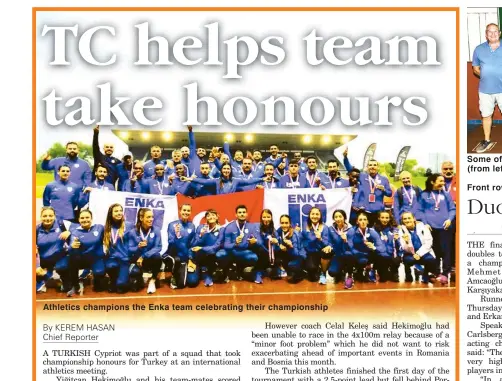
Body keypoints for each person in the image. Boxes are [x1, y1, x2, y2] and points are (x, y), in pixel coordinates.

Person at [417, 174, 455, 283]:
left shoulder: (446, 194)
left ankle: (446, 273)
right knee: (434, 250)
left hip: (445, 227)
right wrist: (425, 223)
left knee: (446, 250)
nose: (443, 183)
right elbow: (420, 210)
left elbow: (452, 209)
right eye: (440, 181)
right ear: (432, 182)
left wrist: (449, 219)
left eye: (443, 181)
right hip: (430, 228)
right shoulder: (424, 195)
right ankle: (436, 271)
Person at [472, 23, 502, 153]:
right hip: (485, 90)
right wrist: (486, 74)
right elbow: (475, 68)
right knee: (486, 115)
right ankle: (486, 140)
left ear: (499, 33)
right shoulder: (478, 49)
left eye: (495, 31)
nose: (493, 34)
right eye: (490, 31)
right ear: (486, 34)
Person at [67, 210, 106, 296]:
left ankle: (93, 278)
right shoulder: (75, 232)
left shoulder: (99, 228)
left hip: (96, 259)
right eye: (82, 218)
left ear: (91, 218)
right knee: (72, 258)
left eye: (87, 217)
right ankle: (75, 285)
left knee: (99, 281)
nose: (85, 220)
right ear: (79, 219)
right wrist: (72, 246)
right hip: (82, 259)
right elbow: (69, 248)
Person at [223, 205, 262, 283]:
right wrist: (235, 243)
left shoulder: (251, 227)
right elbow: (226, 245)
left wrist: (255, 241)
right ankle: (225, 272)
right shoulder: (229, 227)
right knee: (220, 255)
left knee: (254, 257)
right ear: (236, 215)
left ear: (247, 214)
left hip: (244, 252)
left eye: (244, 212)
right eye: (239, 212)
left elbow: (260, 242)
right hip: (233, 252)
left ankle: (244, 270)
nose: (242, 214)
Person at [36, 207, 71, 293]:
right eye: (45, 216)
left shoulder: (61, 224)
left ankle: (63, 278)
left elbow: (77, 227)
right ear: (41, 217)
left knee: (67, 287)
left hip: (60, 259)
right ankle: (49, 276)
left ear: (54, 216)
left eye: (50, 215)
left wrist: (69, 232)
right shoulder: (36, 229)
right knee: (36, 289)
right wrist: (36, 267)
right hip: (44, 260)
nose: (47, 218)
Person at [128, 208, 162, 294]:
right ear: (141, 218)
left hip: (149, 259)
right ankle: (140, 277)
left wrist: (143, 256)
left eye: (152, 217)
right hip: (137, 261)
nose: (151, 219)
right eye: (148, 217)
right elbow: (129, 249)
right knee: (135, 288)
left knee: (158, 256)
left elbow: (158, 247)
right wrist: (138, 247)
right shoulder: (133, 232)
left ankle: (153, 280)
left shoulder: (156, 230)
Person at [190, 209, 228, 286]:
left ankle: (211, 274)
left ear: (217, 217)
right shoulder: (201, 227)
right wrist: (201, 235)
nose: (211, 217)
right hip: (200, 256)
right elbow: (193, 244)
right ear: (206, 218)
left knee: (217, 253)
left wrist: (202, 248)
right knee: (192, 282)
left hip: (212, 256)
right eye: (208, 215)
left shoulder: (221, 229)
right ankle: (200, 270)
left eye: (213, 215)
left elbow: (217, 245)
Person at [398, 212, 437, 284]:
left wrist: (419, 254)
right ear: (402, 221)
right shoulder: (401, 231)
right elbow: (404, 248)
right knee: (407, 260)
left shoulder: (423, 227)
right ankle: (408, 275)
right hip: (410, 253)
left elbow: (429, 242)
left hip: (423, 252)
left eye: (409, 218)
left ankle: (425, 275)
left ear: (414, 219)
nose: (407, 220)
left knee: (431, 259)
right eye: (405, 219)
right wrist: (407, 243)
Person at [165, 204, 197, 289]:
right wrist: (177, 235)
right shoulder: (172, 225)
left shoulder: (192, 226)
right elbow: (171, 242)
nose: (186, 212)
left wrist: (190, 259)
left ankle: (187, 269)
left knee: (192, 282)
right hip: (174, 256)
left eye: (188, 210)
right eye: (184, 210)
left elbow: (192, 245)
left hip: (185, 257)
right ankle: (174, 274)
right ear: (180, 211)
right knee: (180, 285)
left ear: (190, 212)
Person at [103, 203, 134, 293]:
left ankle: (125, 280)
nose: (119, 213)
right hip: (112, 258)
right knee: (110, 266)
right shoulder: (106, 228)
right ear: (110, 214)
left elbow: (134, 242)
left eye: (121, 210)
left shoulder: (129, 225)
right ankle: (113, 280)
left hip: (125, 259)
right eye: (116, 211)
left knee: (121, 287)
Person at [346, 212, 385, 283]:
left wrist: (374, 247)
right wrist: (360, 254)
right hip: (357, 255)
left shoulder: (372, 232)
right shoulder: (352, 231)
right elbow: (350, 246)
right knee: (348, 254)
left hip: (368, 255)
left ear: (367, 221)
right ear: (357, 222)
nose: (363, 222)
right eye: (360, 220)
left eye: (364, 219)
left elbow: (382, 247)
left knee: (381, 255)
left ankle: (371, 270)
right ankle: (352, 273)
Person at [186, 163, 267, 195]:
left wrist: (262, 179)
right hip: (219, 204)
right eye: (224, 169)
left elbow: (249, 181)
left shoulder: (236, 180)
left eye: (228, 169)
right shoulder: (217, 181)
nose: (226, 170)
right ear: (221, 170)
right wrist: (190, 179)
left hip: (231, 204)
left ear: (230, 170)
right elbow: (204, 181)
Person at [301, 207, 332, 284]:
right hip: (310, 252)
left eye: (317, 214)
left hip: (320, 251)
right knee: (312, 276)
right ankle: (314, 268)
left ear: (320, 216)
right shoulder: (305, 226)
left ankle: (323, 273)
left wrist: (320, 239)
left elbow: (327, 243)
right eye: (313, 214)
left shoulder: (324, 227)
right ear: (309, 215)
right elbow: (302, 240)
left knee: (327, 253)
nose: (315, 216)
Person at [328, 209, 355, 289]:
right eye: (336, 217)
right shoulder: (331, 229)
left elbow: (351, 246)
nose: (338, 219)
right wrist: (329, 245)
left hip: (348, 254)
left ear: (344, 218)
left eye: (340, 216)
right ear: (333, 218)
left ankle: (350, 275)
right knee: (332, 272)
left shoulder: (351, 230)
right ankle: (340, 272)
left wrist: (346, 241)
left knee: (349, 254)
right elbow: (329, 241)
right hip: (338, 255)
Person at [276, 214, 306, 283]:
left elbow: (296, 253)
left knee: (292, 272)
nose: (284, 225)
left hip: (299, 256)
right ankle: (287, 270)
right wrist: (279, 245)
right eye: (282, 223)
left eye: (286, 223)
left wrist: (290, 246)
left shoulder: (295, 234)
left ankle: (303, 271)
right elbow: (277, 244)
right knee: (277, 260)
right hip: (288, 255)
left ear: (290, 224)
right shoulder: (279, 231)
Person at [373, 211, 401, 282]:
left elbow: (400, 244)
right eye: (382, 217)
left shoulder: (395, 229)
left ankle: (394, 271)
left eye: (387, 218)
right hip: (380, 254)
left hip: (392, 253)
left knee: (396, 259)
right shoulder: (374, 230)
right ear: (379, 218)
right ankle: (381, 271)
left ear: (390, 219)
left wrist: (397, 239)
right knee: (383, 279)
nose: (385, 220)